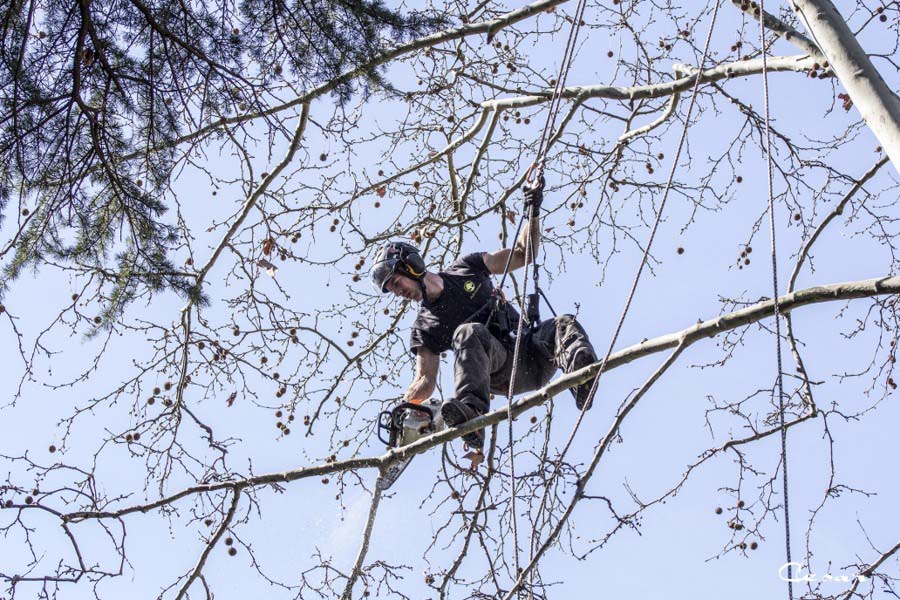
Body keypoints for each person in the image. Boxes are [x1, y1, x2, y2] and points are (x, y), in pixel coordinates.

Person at [369, 179, 598, 449]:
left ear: (412, 266)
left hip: (533, 349)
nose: (398, 293)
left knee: (563, 324)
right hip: (503, 371)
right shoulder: (425, 327)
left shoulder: (467, 268)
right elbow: (424, 379)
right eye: (392, 290)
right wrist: (407, 408)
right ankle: (472, 416)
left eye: (397, 283)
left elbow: (524, 253)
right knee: (469, 333)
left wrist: (532, 209)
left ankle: (583, 375)